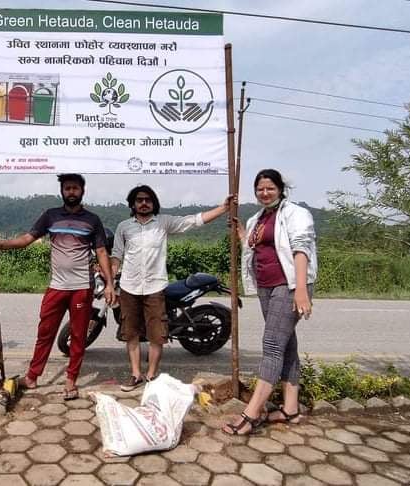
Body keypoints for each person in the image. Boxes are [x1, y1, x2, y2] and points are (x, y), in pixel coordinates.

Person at [0, 173, 114, 400]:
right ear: (62, 191)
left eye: (75, 188)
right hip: (56, 286)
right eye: (67, 188)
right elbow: (27, 239)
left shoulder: (92, 220)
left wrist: (109, 284)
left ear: (82, 191)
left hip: (81, 288)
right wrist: (2, 244)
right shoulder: (51, 216)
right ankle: (32, 377)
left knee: (78, 336)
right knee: (44, 333)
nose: (71, 192)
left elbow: (101, 252)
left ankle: (71, 381)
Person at [222, 168, 317, 435]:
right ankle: (291, 409)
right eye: (260, 189)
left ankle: (251, 414)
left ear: (280, 189)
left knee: (272, 345)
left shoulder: (296, 213)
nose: (265, 193)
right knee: (287, 344)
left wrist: (300, 289)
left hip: (289, 285)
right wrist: (242, 234)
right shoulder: (257, 218)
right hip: (266, 286)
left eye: (270, 188)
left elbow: (301, 248)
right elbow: (255, 248)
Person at [111, 185, 234, 391]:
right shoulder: (124, 227)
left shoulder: (163, 222)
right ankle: (135, 374)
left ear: (154, 203)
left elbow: (193, 221)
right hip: (129, 287)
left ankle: (151, 375)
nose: (144, 203)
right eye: (139, 200)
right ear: (132, 204)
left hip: (155, 287)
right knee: (131, 334)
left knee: (157, 335)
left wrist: (223, 208)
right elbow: (116, 254)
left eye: (148, 199)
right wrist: (110, 280)